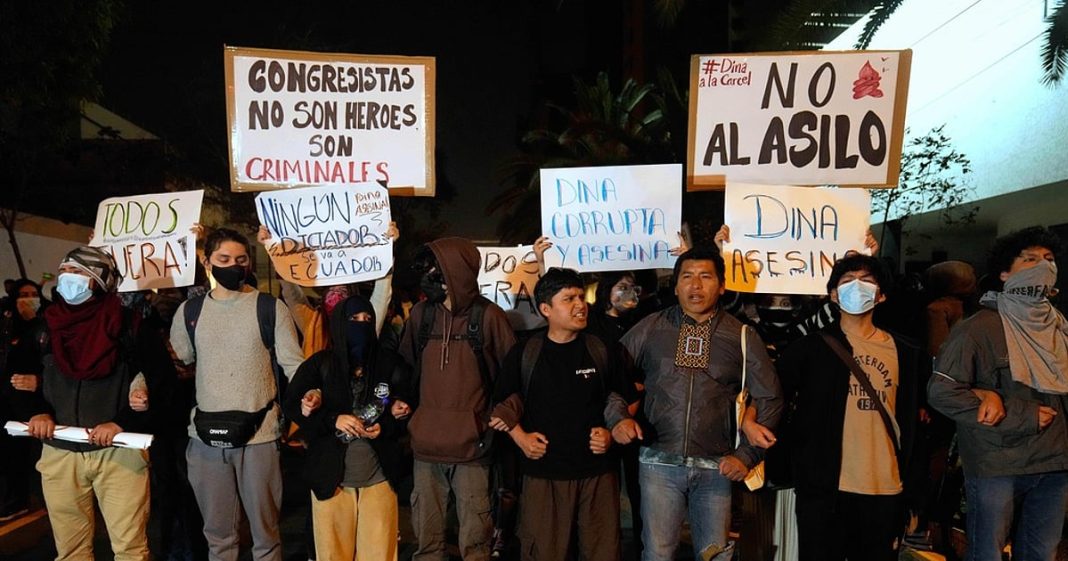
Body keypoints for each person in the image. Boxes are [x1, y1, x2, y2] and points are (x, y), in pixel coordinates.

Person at [609, 246, 782, 561]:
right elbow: (612, 377)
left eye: (705, 277)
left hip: (718, 466)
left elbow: (770, 396)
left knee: (714, 555)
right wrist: (617, 418)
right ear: (675, 286)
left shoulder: (742, 335)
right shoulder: (650, 328)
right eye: (687, 277)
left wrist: (747, 455)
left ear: (722, 285)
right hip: (657, 461)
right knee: (658, 553)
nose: (695, 286)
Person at [927, 226, 1068, 561]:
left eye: (1049, 260)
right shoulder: (978, 328)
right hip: (997, 463)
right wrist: (1020, 414)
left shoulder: (1059, 326)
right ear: (1005, 273)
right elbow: (942, 391)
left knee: (1041, 553)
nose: (1043, 267)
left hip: (1056, 463)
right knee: (986, 552)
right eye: (1030, 260)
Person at [21, 246, 170, 561]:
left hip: (119, 453)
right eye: (65, 271)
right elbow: (18, 378)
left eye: (78, 273)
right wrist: (36, 411)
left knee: (130, 550)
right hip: (59, 452)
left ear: (100, 280)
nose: (67, 278)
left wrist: (121, 423)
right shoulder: (45, 327)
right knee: (71, 550)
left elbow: (162, 382)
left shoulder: (130, 326)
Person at [776, 254, 923, 561]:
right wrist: (750, 419)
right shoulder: (810, 347)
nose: (857, 287)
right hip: (824, 489)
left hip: (885, 488)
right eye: (847, 281)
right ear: (832, 294)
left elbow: (915, 420)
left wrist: (914, 494)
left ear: (881, 295)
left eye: (867, 281)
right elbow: (773, 394)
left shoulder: (906, 352)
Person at [169, 228, 303, 561]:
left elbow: (294, 365)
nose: (234, 265)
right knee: (218, 536)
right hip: (204, 440)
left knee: (266, 535)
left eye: (241, 259)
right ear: (207, 262)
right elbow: (181, 358)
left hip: (259, 438)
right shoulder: (189, 311)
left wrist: (308, 398)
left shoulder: (270, 308)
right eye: (224, 259)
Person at [489, 267, 630, 561]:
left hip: (597, 475)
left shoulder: (601, 348)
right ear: (545, 309)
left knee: (603, 553)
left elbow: (623, 398)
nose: (580, 305)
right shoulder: (526, 352)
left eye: (581, 296)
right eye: (568, 299)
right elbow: (500, 406)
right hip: (543, 476)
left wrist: (612, 434)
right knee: (543, 553)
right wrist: (521, 438)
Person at [396, 237, 517, 561]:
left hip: (472, 450)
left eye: (436, 268)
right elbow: (403, 372)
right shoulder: (421, 316)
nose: (430, 275)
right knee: (427, 543)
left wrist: (505, 413)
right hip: (426, 448)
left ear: (456, 272)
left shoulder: (489, 317)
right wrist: (396, 403)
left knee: (476, 545)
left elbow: (515, 377)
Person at [283, 294, 409, 561]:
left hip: (379, 480)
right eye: (354, 319)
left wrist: (388, 423)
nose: (361, 325)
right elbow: (293, 405)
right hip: (332, 482)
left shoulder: (389, 363)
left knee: (380, 555)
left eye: (368, 319)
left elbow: (407, 407)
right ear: (341, 324)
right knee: (332, 555)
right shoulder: (321, 364)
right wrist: (332, 419)